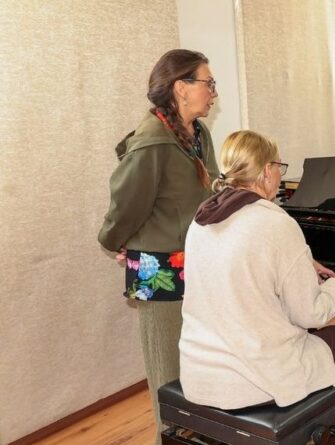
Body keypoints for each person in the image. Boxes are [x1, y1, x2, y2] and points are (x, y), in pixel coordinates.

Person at [179, 130, 335, 445]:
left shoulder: (202, 221)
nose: (281, 174)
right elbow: (311, 315)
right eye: (279, 165)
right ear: (266, 171)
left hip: (200, 373)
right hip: (250, 381)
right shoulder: (275, 223)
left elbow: (238, 265)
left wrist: (304, 265)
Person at [97, 49, 221, 443]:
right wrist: (120, 242)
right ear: (181, 88)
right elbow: (127, 203)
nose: (213, 92)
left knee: (199, 359)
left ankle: (199, 434)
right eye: (208, 82)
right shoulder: (153, 142)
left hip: (196, 261)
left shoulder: (198, 134)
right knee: (168, 368)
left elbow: (206, 194)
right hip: (160, 269)